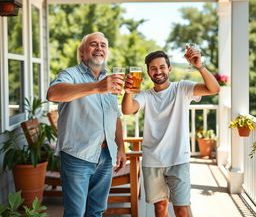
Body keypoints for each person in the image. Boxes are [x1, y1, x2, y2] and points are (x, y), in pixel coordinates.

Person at [121, 47, 220, 217]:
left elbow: (214, 89)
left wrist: (200, 67)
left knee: (181, 209)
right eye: (153, 68)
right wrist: (128, 91)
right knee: (160, 208)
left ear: (169, 69)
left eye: (161, 67)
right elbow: (127, 110)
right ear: (148, 72)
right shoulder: (145, 96)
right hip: (153, 161)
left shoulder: (182, 88)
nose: (158, 71)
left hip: (178, 159)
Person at [47, 32, 127, 217]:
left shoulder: (110, 79)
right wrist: (97, 87)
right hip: (77, 155)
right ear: (82, 52)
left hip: (106, 155)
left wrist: (121, 147)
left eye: (103, 45)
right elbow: (53, 93)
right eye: (93, 44)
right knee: (75, 213)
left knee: (97, 211)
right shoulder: (70, 74)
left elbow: (114, 116)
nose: (99, 48)